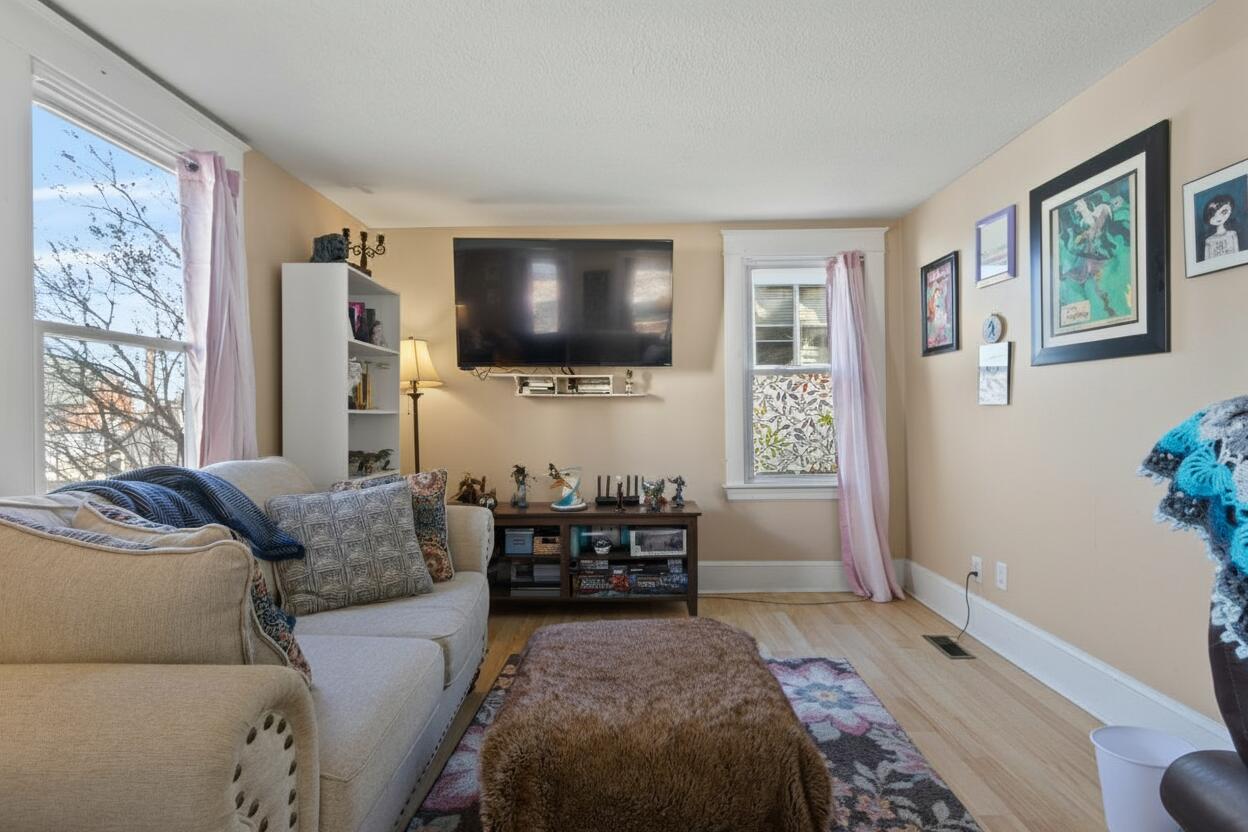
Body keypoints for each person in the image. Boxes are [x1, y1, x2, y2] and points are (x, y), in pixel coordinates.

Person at [1204, 194, 1240, 260]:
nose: (1218, 217)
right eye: (1213, 213)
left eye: (1223, 212)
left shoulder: (1232, 234)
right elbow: (1206, 262)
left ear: (1230, 211)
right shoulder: (1209, 240)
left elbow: (1237, 256)